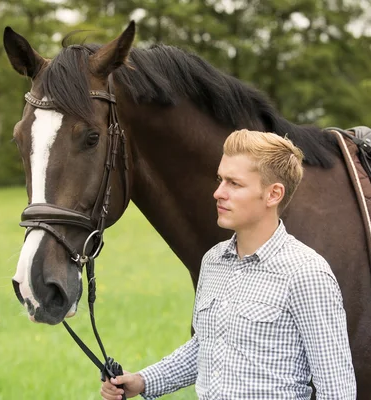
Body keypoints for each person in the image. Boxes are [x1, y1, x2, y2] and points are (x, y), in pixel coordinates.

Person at [100, 129, 356, 399]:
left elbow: (337, 389)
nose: (218, 193)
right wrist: (142, 381)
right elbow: (206, 346)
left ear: (273, 194)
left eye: (234, 183)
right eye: (220, 180)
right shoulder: (213, 261)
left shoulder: (306, 273)